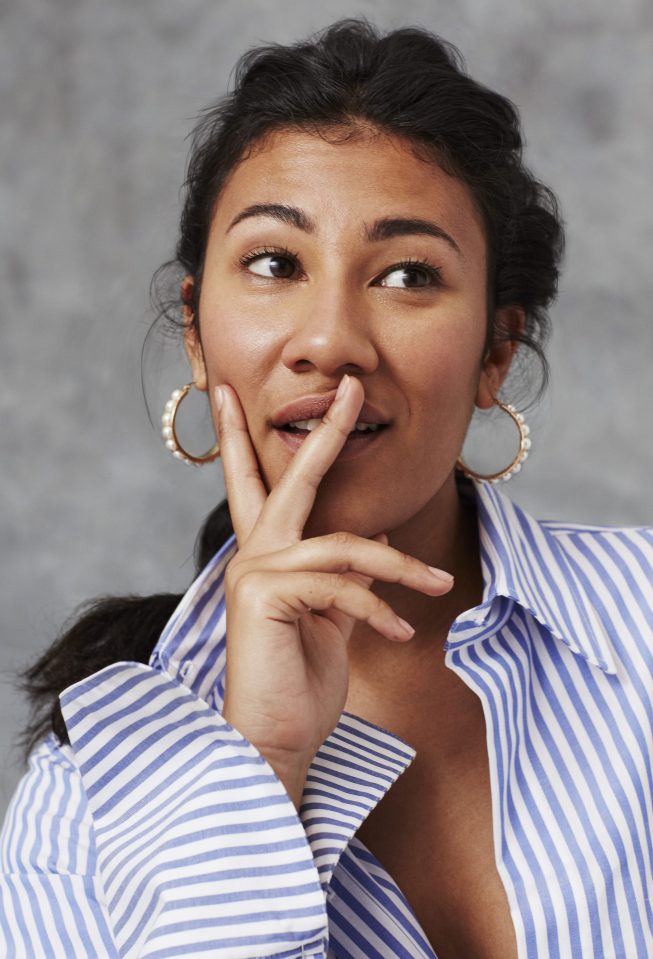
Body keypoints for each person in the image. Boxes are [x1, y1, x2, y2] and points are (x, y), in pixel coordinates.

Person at [1, 17, 651, 959]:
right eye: (274, 264)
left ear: (495, 351)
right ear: (195, 329)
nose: (330, 338)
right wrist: (262, 760)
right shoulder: (87, 803)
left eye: (406, 274)